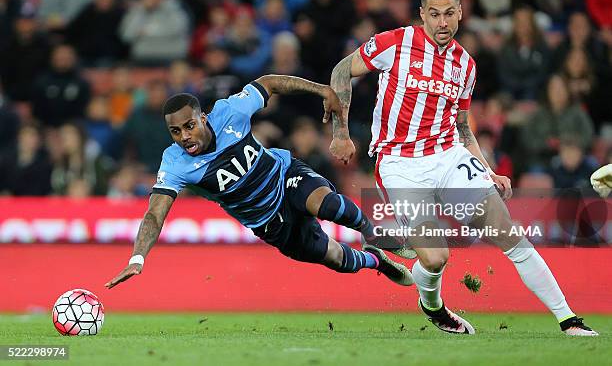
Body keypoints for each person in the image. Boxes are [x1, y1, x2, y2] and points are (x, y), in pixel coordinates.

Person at [328, 0, 597, 336]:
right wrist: (341, 133)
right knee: (437, 257)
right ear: (422, 14)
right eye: (435, 14)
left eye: (450, 13)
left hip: (449, 155)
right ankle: (433, 305)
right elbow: (342, 70)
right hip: (400, 164)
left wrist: (488, 169)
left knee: (510, 235)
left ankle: (569, 320)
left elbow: (462, 126)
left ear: (460, 14)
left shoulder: (465, 64)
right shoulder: (396, 43)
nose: (443, 22)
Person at [105, 75, 413, 290]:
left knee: (326, 203)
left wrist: (322, 90)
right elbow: (155, 214)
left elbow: (268, 83)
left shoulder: (230, 111)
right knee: (335, 258)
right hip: (269, 223)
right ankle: (377, 262)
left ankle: (373, 233)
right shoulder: (174, 164)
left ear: (203, 118)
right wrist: (137, 257)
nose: (185, 137)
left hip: (285, 176)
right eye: (176, 132)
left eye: (189, 126)